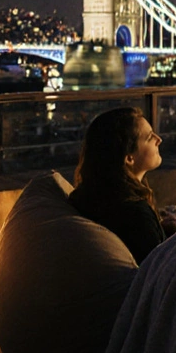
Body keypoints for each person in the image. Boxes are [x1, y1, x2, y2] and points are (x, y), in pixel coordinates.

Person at [69, 107, 166, 265]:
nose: (159, 139)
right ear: (129, 158)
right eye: (149, 138)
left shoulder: (92, 196)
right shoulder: (135, 214)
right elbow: (161, 268)